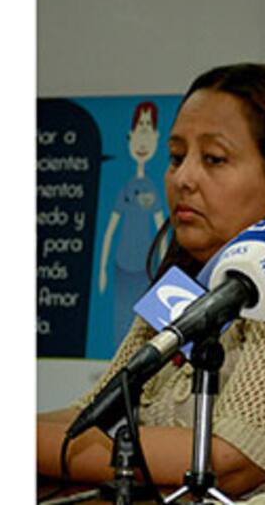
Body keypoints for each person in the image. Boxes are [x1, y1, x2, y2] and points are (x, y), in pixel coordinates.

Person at [37, 63, 265, 497]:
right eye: (177, 157)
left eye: (213, 159)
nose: (183, 178)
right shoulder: (187, 280)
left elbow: (227, 460)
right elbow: (92, 417)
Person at [97, 100, 167, 349]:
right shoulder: (125, 188)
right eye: (139, 130)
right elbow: (110, 230)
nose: (143, 140)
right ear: (130, 137)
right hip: (122, 265)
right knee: (122, 323)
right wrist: (103, 268)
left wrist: (164, 272)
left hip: (145, 270)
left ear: (157, 138)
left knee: (147, 331)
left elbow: (162, 233)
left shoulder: (154, 190)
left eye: (148, 130)